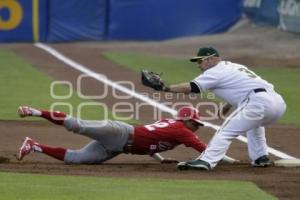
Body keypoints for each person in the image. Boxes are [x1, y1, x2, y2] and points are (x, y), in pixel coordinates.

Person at [143, 47, 286, 170]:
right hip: (277, 103)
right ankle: (261, 157)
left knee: (225, 131)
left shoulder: (214, 72)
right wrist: (228, 104)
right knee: (254, 125)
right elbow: (246, 85)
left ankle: (206, 161)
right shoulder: (233, 66)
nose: (198, 65)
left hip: (257, 102)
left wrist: (164, 88)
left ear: (210, 59)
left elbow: (191, 88)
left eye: (200, 61)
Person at [17, 105, 237, 165]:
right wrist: (233, 162)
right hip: (119, 133)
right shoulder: (182, 131)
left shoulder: (174, 127)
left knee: (77, 159)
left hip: (119, 145)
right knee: (77, 125)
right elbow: (208, 153)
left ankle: (33, 146)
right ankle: (34, 111)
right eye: (195, 123)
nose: (197, 127)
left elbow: (148, 141)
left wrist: (160, 158)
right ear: (186, 120)